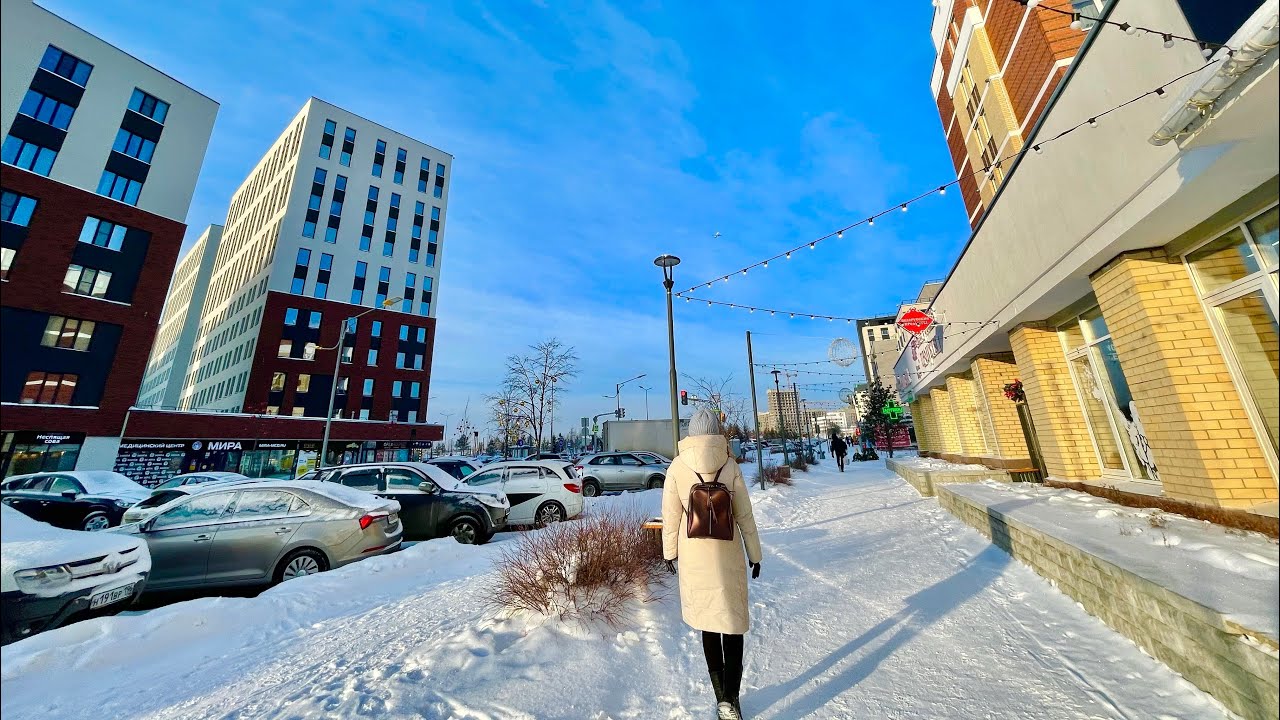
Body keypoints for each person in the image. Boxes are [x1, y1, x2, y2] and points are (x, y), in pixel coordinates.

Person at [662, 409, 762, 720]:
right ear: (717, 431)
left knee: (708, 625)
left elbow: (671, 517)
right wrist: (754, 554)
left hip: (694, 559)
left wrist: (669, 553)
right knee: (732, 627)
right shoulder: (729, 463)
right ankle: (732, 698)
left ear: (690, 434)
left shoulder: (677, 466)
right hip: (728, 555)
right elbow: (744, 513)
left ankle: (720, 698)